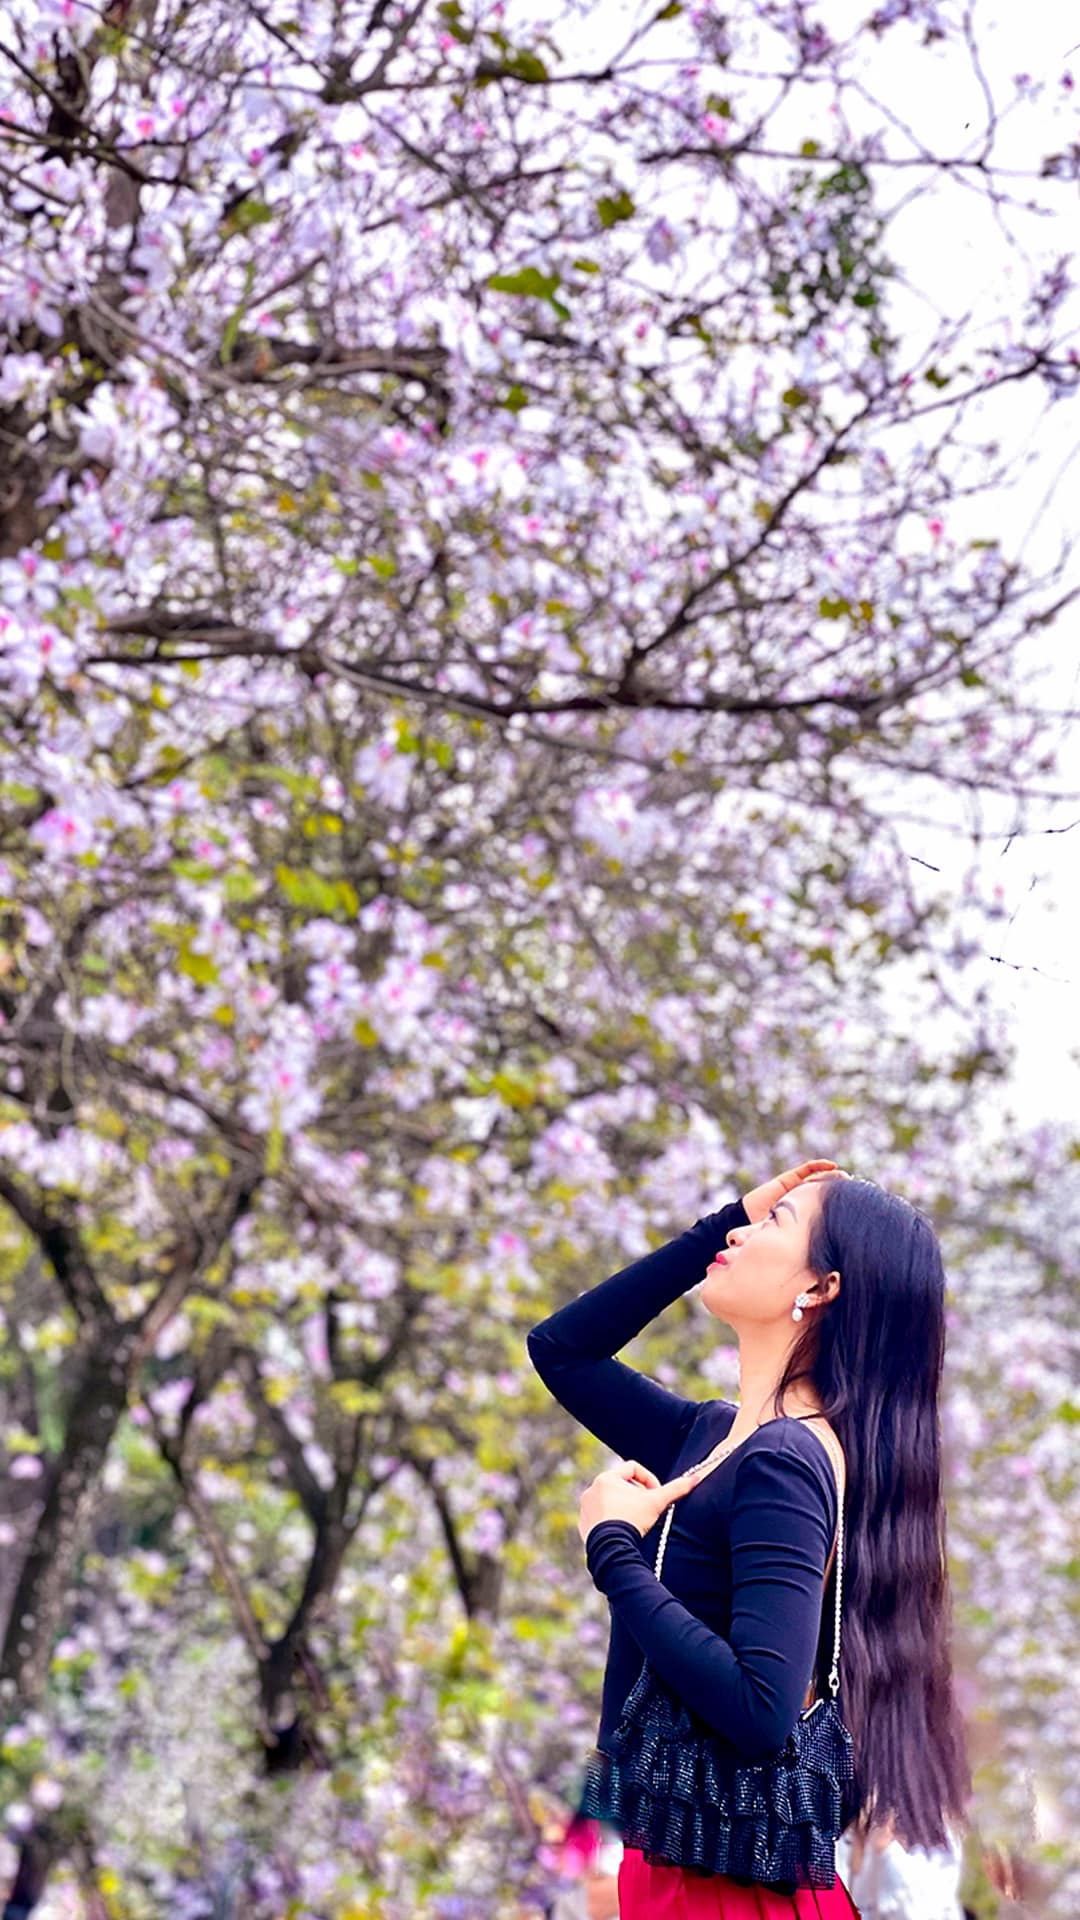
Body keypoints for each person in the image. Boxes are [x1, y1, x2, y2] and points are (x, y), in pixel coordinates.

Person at [527, 1159, 972, 1919]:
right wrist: (720, 1222)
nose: (739, 1233)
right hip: (673, 1876)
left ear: (821, 1287)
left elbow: (762, 1709)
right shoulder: (711, 1436)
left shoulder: (784, 1460)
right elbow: (561, 1349)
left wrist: (613, 1549)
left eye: (774, 1224)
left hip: (721, 1895)